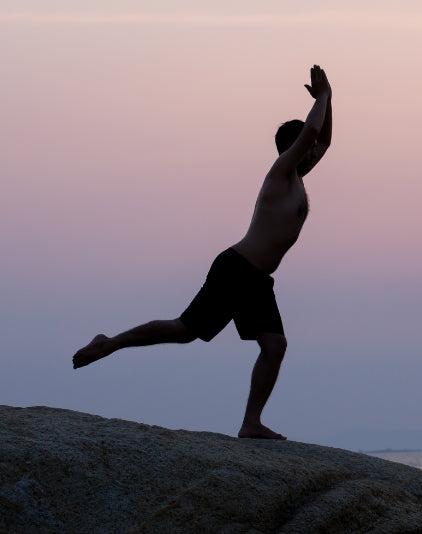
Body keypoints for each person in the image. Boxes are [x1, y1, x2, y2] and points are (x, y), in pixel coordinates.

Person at [72, 65, 333, 440]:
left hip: (257, 280)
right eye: (307, 150)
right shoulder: (280, 173)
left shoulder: (298, 179)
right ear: (295, 151)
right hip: (237, 270)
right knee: (184, 331)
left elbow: (323, 141)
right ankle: (109, 343)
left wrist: (331, 98)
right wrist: (321, 98)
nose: (315, 155)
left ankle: (250, 423)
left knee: (275, 345)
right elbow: (311, 134)